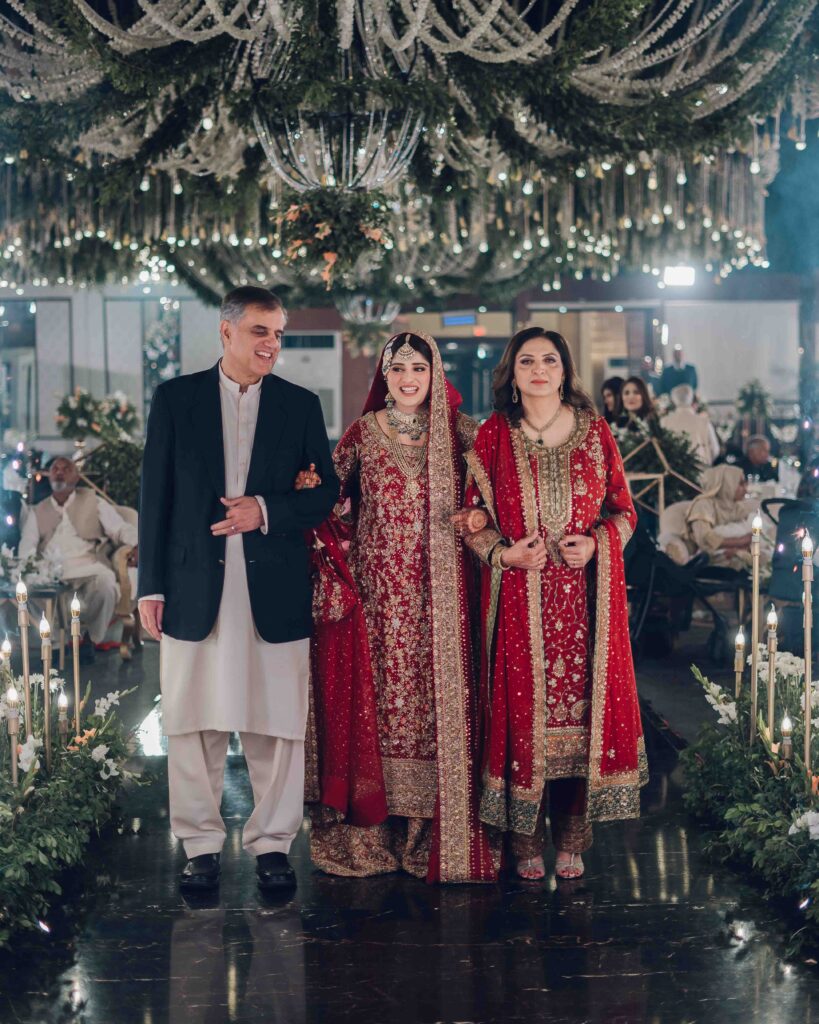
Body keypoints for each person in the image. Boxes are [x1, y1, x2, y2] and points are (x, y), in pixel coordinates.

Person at [137, 286, 338, 894]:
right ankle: (199, 846)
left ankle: (273, 845)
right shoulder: (176, 399)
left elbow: (325, 494)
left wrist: (267, 510)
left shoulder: (300, 405)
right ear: (226, 332)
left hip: (274, 584)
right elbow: (155, 496)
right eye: (259, 331)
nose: (271, 343)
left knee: (277, 722)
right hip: (192, 582)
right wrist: (150, 587)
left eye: (277, 332)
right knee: (192, 721)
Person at [306, 332, 495, 883]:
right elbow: (329, 499)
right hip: (378, 598)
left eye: (419, 368)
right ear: (384, 376)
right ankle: (372, 831)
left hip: (444, 599)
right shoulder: (364, 432)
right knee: (380, 705)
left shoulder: (463, 433)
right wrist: (309, 490)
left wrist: (482, 517)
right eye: (398, 369)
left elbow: (497, 495)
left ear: (436, 375)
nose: (409, 378)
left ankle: (429, 836)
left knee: (435, 710)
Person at [459, 327, 646, 881]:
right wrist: (505, 554)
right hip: (521, 602)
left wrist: (597, 543)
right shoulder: (493, 435)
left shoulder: (595, 432)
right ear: (512, 374)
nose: (538, 370)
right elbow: (472, 520)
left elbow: (624, 512)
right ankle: (524, 837)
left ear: (564, 371)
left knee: (583, 724)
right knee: (525, 718)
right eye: (527, 361)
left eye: (548, 360)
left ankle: (572, 836)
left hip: (586, 605)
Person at [18, 455, 137, 655]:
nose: (60, 472)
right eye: (55, 468)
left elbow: (120, 529)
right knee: (26, 588)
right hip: (51, 572)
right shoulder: (37, 510)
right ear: (48, 475)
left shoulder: (94, 501)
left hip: (89, 566)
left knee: (106, 584)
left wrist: (138, 544)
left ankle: (90, 639)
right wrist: (25, 568)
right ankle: (55, 643)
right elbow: (27, 545)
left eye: (66, 468)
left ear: (77, 477)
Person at [684, 465, 754, 570]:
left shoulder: (738, 507)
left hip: (736, 554)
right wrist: (741, 541)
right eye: (740, 484)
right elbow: (704, 539)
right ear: (727, 484)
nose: (745, 489)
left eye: (745, 484)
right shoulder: (703, 505)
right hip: (708, 559)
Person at [661, 384, 719, 466]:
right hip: (701, 467)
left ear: (673, 401)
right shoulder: (704, 422)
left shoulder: (664, 421)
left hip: (673, 468)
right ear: (692, 399)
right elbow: (715, 449)